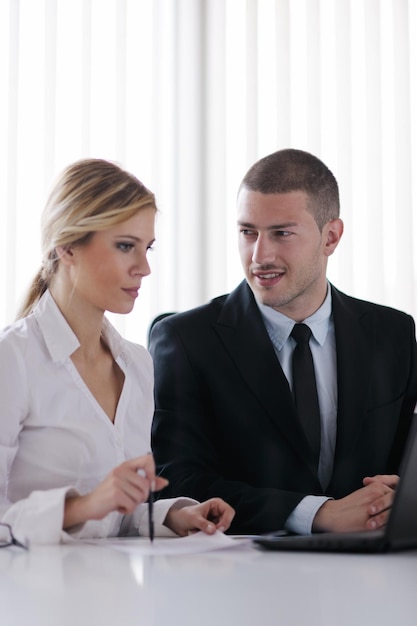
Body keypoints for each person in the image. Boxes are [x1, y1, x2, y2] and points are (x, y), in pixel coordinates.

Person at [149, 148, 417, 536]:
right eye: (247, 232)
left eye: (281, 233)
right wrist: (316, 513)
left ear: (331, 236)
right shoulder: (186, 340)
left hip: (375, 572)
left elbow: (405, 463)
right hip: (241, 577)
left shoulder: (393, 334)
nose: (260, 255)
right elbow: (175, 485)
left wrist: (398, 495)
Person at [0, 158, 234, 544]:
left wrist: (173, 514)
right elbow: (87, 508)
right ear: (68, 247)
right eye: (126, 246)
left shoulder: (137, 364)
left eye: (148, 248)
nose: (144, 268)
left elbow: (114, 518)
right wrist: (82, 505)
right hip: (30, 597)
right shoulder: (14, 359)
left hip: (114, 595)